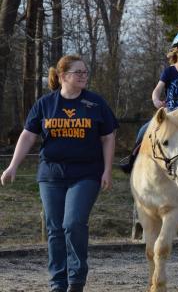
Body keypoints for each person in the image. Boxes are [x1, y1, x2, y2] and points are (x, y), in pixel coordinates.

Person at [0, 55, 118, 292]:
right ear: (63, 76)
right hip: (51, 174)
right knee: (55, 229)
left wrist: (107, 170)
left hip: (86, 173)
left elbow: (108, 137)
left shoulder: (96, 104)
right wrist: (13, 165)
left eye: (85, 72)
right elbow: (28, 136)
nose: (84, 75)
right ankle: (58, 282)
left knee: (73, 223)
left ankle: (76, 279)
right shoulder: (45, 104)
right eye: (78, 72)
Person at [120, 29, 178, 173]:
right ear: (177, 52)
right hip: (169, 113)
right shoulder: (169, 71)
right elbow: (157, 90)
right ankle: (132, 160)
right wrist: (156, 100)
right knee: (144, 129)